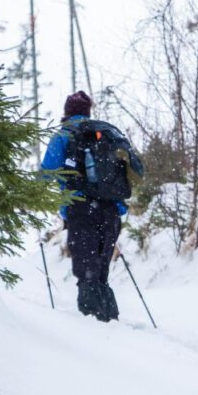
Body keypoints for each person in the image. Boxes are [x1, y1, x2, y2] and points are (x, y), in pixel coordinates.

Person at [42, 91, 143, 322]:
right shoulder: (106, 134)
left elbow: (46, 174)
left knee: (87, 274)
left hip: (81, 210)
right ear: (88, 111)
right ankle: (110, 322)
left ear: (66, 112)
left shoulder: (64, 136)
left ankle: (94, 331)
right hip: (111, 211)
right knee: (100, 274)